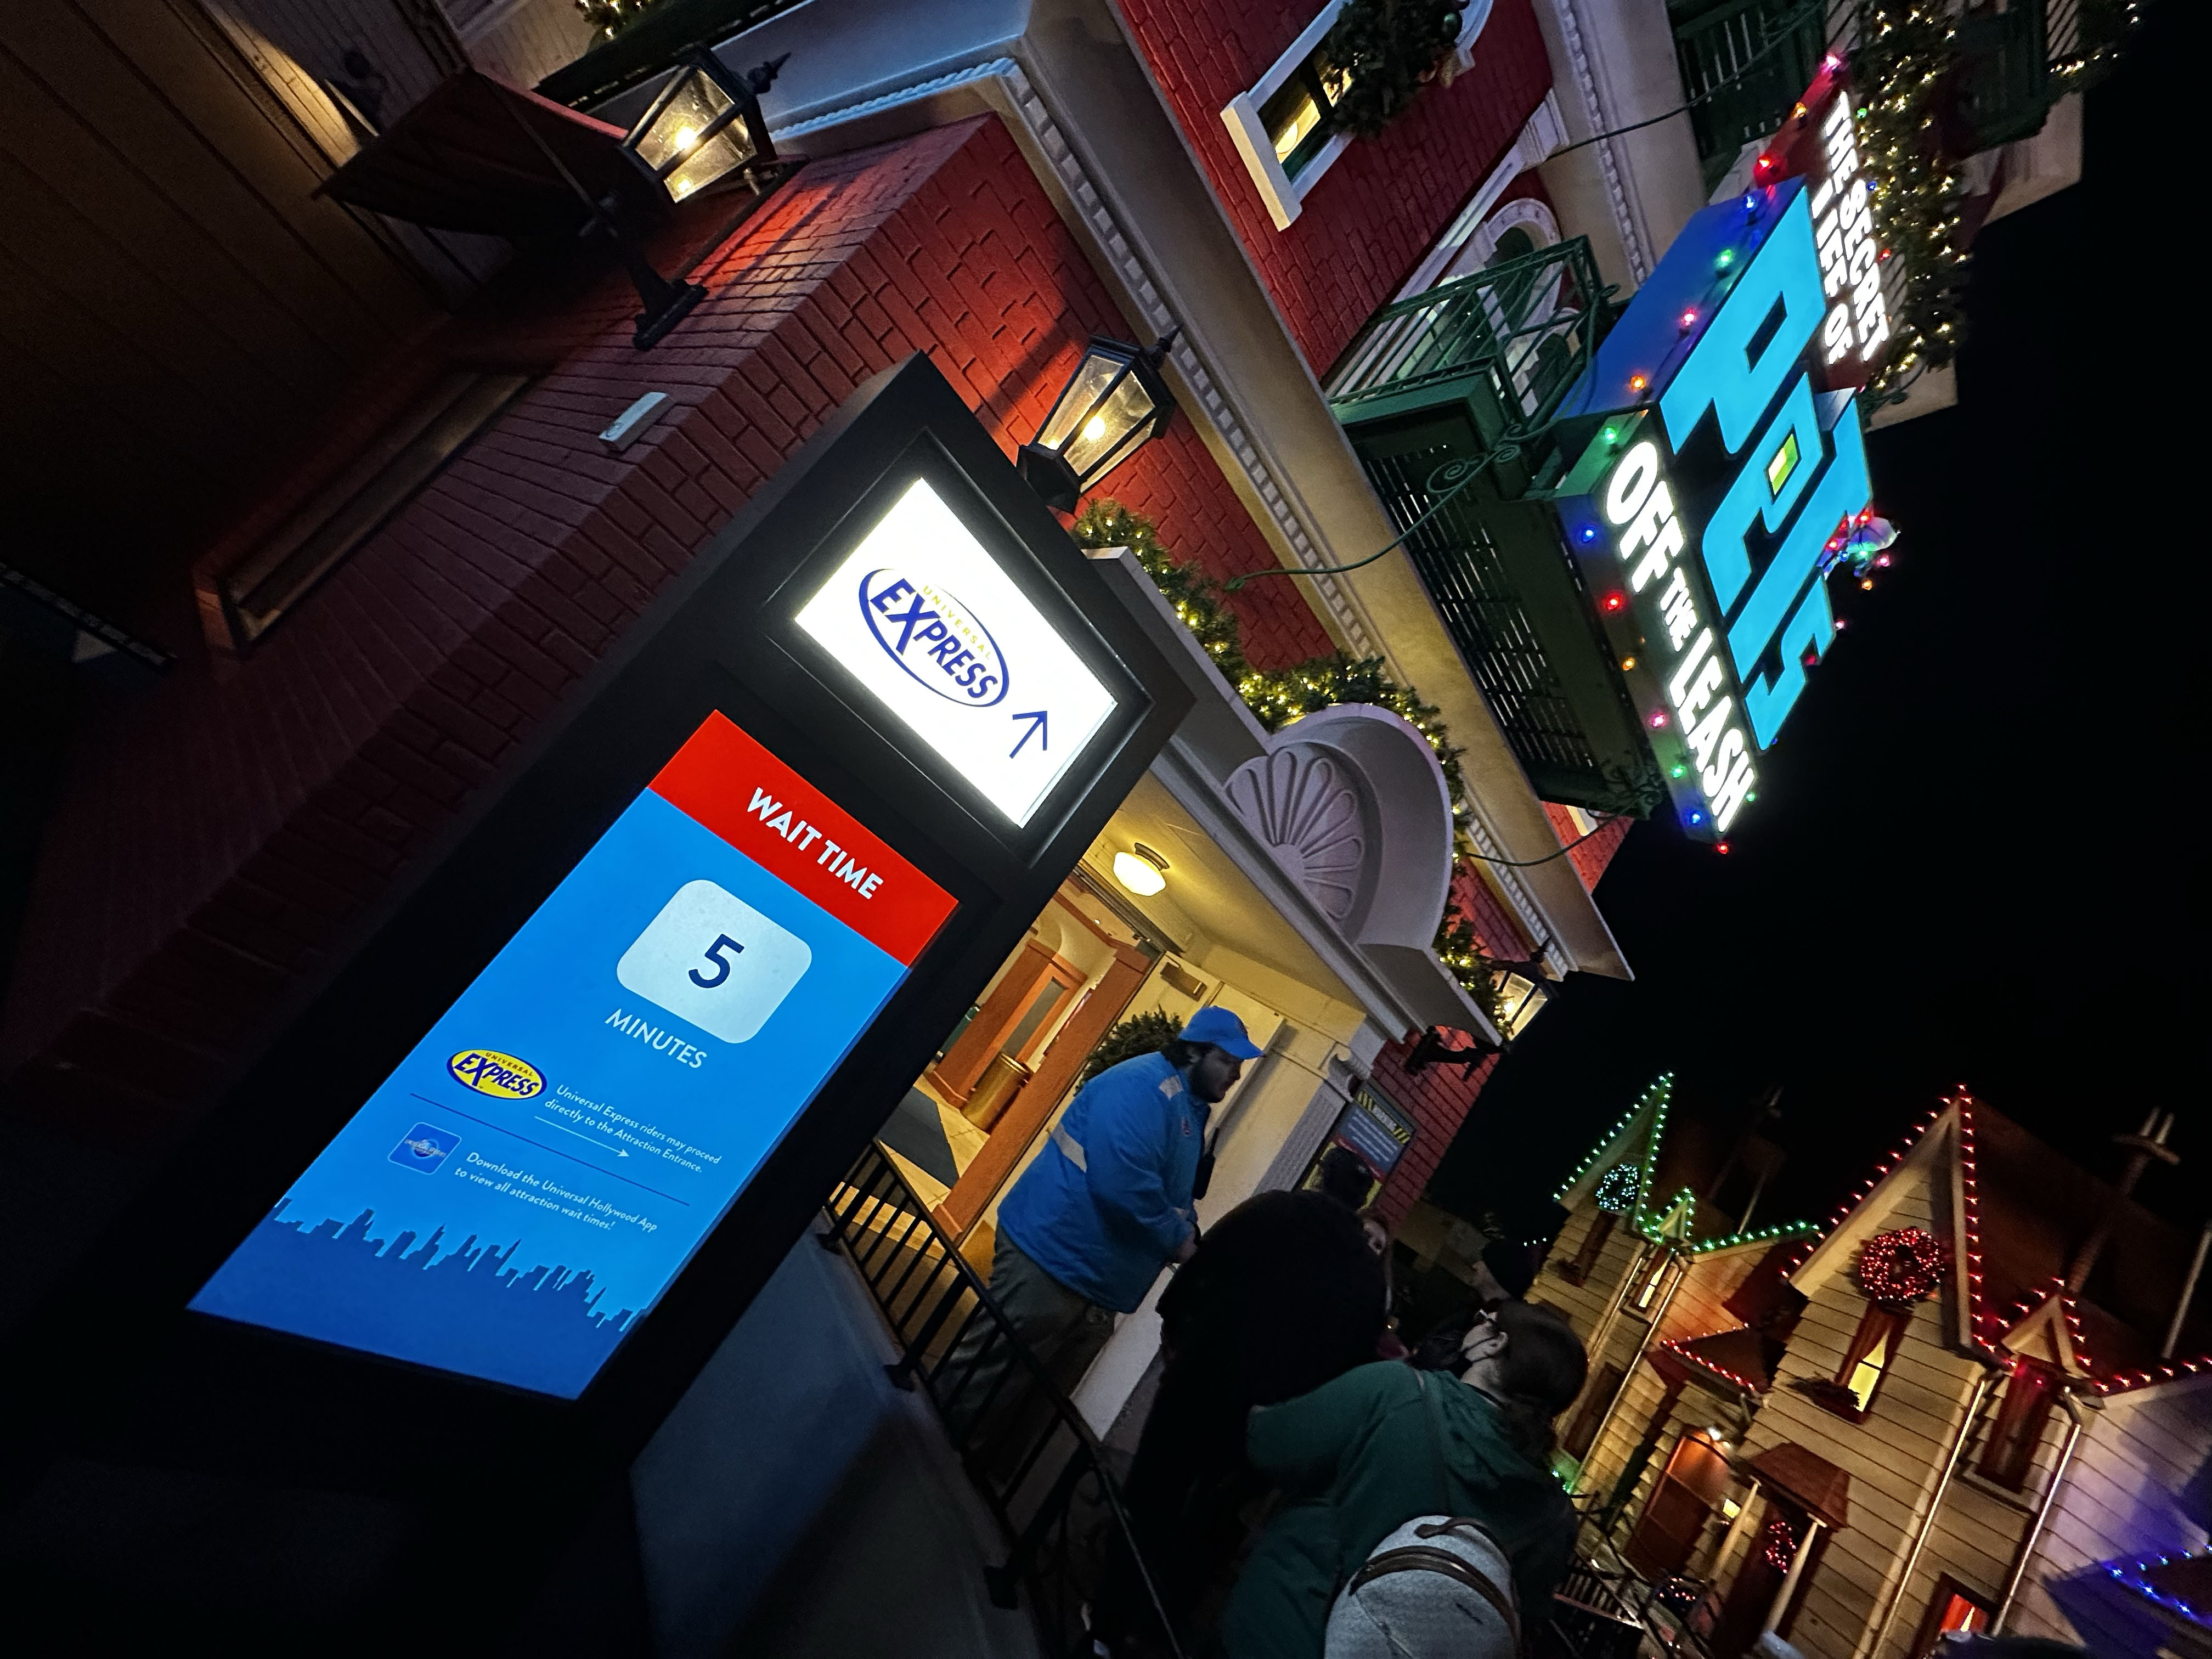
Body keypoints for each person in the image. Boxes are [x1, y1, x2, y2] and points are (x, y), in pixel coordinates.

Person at [938, 1007, 1261, 1447]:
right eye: (1227, 1061)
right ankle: (919, 1451)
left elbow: (1174, 1196)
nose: (1236, 1074)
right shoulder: (1143, 1088)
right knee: (984, 1380)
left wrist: (1189, 1231)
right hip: (1053, 1258)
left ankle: (967, 1469)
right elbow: (1123, 1182)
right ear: (1193, 1052)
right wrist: (1179, 1241)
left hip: (1086, 1273)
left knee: (1025, 1397)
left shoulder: (1185, 1106)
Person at [1097, 1186, 1386, 1648]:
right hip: (1270, 1419)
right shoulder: (1367, 1281)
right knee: (1210, 1525)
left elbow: (1208, 1260)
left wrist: (1176, 1329)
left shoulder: (1279, 1211)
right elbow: (1350, 1367)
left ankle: (1108, 1619)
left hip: (1205, 1377)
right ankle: (1156, 1632)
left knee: (1154, 1493)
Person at [1218, 1299, 1588, 1659]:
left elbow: (1273, 1446)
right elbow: (1522, 1618)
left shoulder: (1394, 1391)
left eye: (1482, 1320)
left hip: (1284, 1629)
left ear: (1494, 1343)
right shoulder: (1554, 1518)